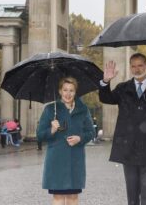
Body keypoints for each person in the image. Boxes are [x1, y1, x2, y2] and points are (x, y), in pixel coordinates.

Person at [100, 53, 146, 205]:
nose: (137, 69)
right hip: (128, 149)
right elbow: (106, 98)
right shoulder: (122, 88)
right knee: (132, 196)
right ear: (130, 68)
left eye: (140, 65)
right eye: (133, 66)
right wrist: (105, 81)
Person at [37, 76, 94, 205]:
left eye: (71, 90)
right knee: (58, 197)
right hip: (56, 159)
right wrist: (51, 130)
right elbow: (39, 135)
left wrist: (80, 138)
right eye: (65, 90)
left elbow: (91, 132)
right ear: (59, 91)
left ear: (75, 92)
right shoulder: (50, 109)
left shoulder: (83, 110)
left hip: (75, 160)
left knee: (73, 197)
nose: (68, 94)